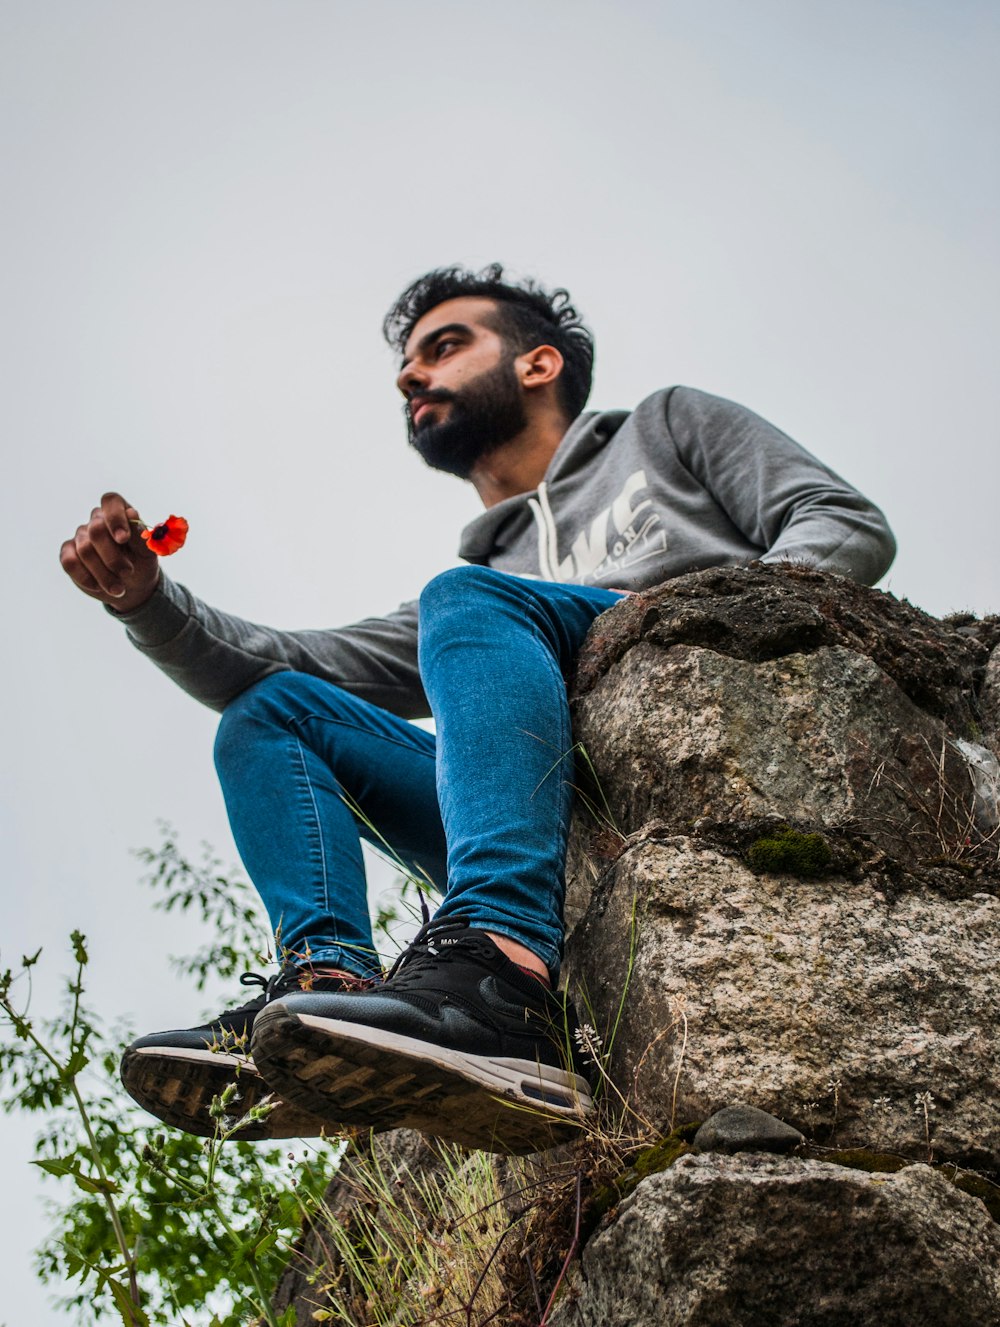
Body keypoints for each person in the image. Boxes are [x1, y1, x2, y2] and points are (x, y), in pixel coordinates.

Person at [60, 264, 896, 1153]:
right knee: (273, 712)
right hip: (537, 813)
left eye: (445, 346)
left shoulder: (664, 428)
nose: (411, 376)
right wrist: (147, 600)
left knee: (466, 599)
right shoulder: (479, 593)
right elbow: (282, 662)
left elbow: (841, 521)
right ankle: (327, 995)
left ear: (538, 364)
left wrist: (670, 627)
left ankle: (501, 975)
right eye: (406, 366)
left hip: (699, 740)